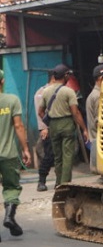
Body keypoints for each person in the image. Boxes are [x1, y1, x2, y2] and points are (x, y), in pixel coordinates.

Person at [37, 64, 89, 187]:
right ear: (65, 76)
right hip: (66, 124)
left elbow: (40, 112)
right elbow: (75, 112)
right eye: (68, 75)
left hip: (53, 125)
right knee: (67, 156)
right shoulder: (69, 92)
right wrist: (84, 129)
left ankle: (57, 182)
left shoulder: (45, 91)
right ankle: (65, 184)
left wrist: (49, 123)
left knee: (57, 156)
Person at [0, 69, 32, 239]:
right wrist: (26, 149)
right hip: (9, 155)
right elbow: (19, 126)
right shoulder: (12, 100)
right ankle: (9, 216)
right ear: (2, 82)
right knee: (11, 187)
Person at [33, 70, 57, 191]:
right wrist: (43, 127)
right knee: (49, 155)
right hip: (47, 129)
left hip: (58, 127)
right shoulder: (41, 92)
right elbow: (39, 112)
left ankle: (60, 181)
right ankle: (41, 181)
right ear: (53, 78)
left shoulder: (60, 90)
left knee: (60, 156)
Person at [86, 64, 103, 174]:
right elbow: (99, 120)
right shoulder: (98, 96)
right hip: (100, 139)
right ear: (101, 78)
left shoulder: (93, 95)